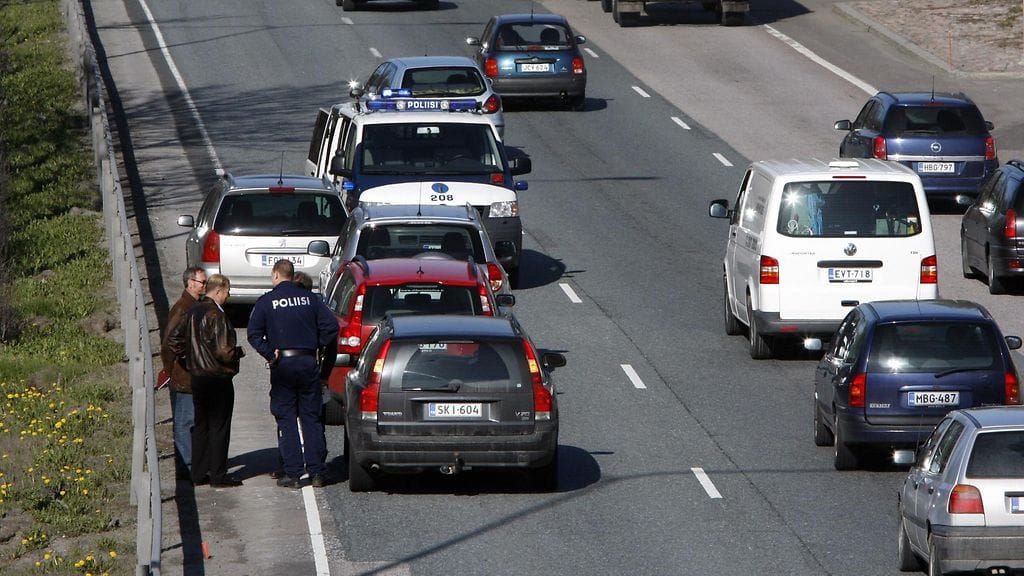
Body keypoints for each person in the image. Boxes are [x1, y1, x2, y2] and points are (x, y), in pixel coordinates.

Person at [247, 260, 337, 489]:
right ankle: (317, 471)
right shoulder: (312, 299)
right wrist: (314, 345)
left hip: (283, 364)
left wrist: (270, 354)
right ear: (292, 274)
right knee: (311, 417)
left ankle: (294, 473)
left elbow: (253, 333)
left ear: (276, 275)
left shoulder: (267, 301)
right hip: (307, 361)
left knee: (286, 418)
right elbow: (331, 327)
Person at [167, 274, 245, 487]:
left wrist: (191, 355)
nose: (228, 297)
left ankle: (198, 473)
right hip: (217, 377)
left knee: (201, 425)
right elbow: (223, 351)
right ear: (219, 291)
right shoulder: (216, 314)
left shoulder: (193, 310)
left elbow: (173, 339)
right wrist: (237, 353)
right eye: (227, 292)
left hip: (197, 377)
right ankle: (218, 475)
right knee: (219, 426)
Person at [159, 266, 207, 481]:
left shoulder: (193, 305)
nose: (204, 286)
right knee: (185, 422)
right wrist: (176, 368)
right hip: (184, 376)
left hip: (191, 375)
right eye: (202, 283)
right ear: (190, 283)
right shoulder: (183, 308)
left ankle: (192, 464)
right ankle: (186, 467)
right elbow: (169, 343)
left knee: (192, 420)